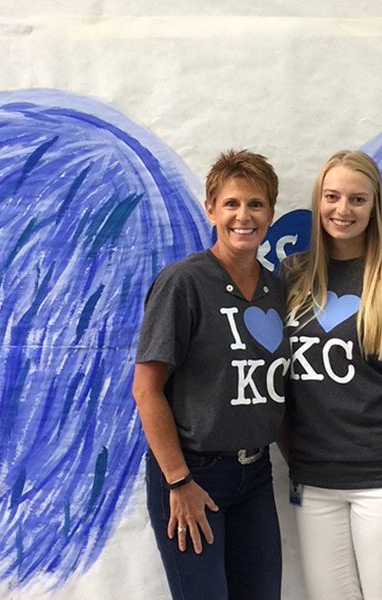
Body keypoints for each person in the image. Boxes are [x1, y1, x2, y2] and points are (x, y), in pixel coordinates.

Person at [280, 150, 382, 600]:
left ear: (374, 207)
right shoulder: (291, 276)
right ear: (318, 203)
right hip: (314, 480)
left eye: (357, 199)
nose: (343, 210)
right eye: (332, 197)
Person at [133, 149, 288, 600]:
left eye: (256, 204)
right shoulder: (184, 282)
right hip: (193, 475)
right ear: (211, 210)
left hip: (255, 475)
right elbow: (146, 390)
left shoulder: (277, 290)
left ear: (271, 213)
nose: (244, 215)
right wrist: (179, 482)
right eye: (232, 203)